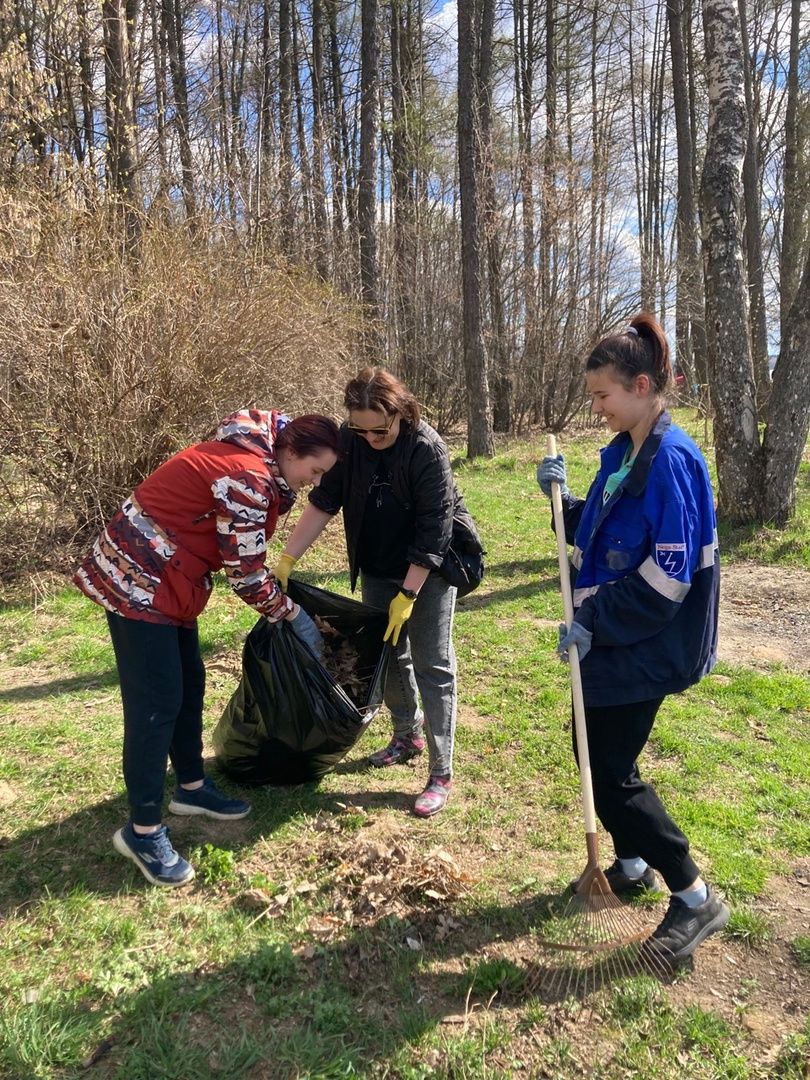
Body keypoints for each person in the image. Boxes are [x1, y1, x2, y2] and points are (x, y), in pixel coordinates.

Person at [74, 409, 340, 886]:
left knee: (188, 684)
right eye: (314, 470)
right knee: (156, 704)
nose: (311, 483)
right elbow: (246, 575)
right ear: (291, 451)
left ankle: (191, 786)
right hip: (138, 577)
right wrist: (292, 614)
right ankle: (143, 829)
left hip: (171, 578)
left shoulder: (257, 458)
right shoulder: (247, 477)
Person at [536, 313, 730, 963]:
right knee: (594, 748)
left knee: (611, 771)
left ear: (642, 385)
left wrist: (592, 621)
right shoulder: (625, 453)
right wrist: (565, 506)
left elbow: (665, 578)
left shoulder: (673, 461)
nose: (596, 409)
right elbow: (605, 529)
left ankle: (696, 896)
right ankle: (633, 861)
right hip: (615, 637)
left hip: (649, 641)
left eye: (603, 396)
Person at [274, 367, 476, 818]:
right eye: (360, 429)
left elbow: (434, 531)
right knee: (387, 656)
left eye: (379, 429)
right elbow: (324, 501)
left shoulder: (427, 450)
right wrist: (288, 559)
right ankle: (407, 735)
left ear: (401, 413)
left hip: (433, 567)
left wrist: (409, 594)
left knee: (432, 661)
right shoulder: (351, 444)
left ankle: (441, 772)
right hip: (379, 564)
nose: (370, 438)